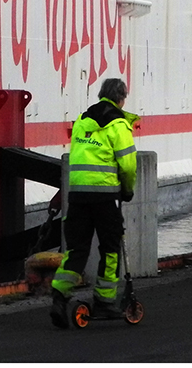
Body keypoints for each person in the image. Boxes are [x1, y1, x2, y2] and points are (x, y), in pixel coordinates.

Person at [49, 77, 138, 328]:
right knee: (110, 249)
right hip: (105, 197)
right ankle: (105, 301)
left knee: (76, 249)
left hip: (77, 196)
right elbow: (128, 165)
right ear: (121, 98)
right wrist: (128, 190)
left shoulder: (82, 121)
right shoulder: (118, 124)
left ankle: (59, 295)